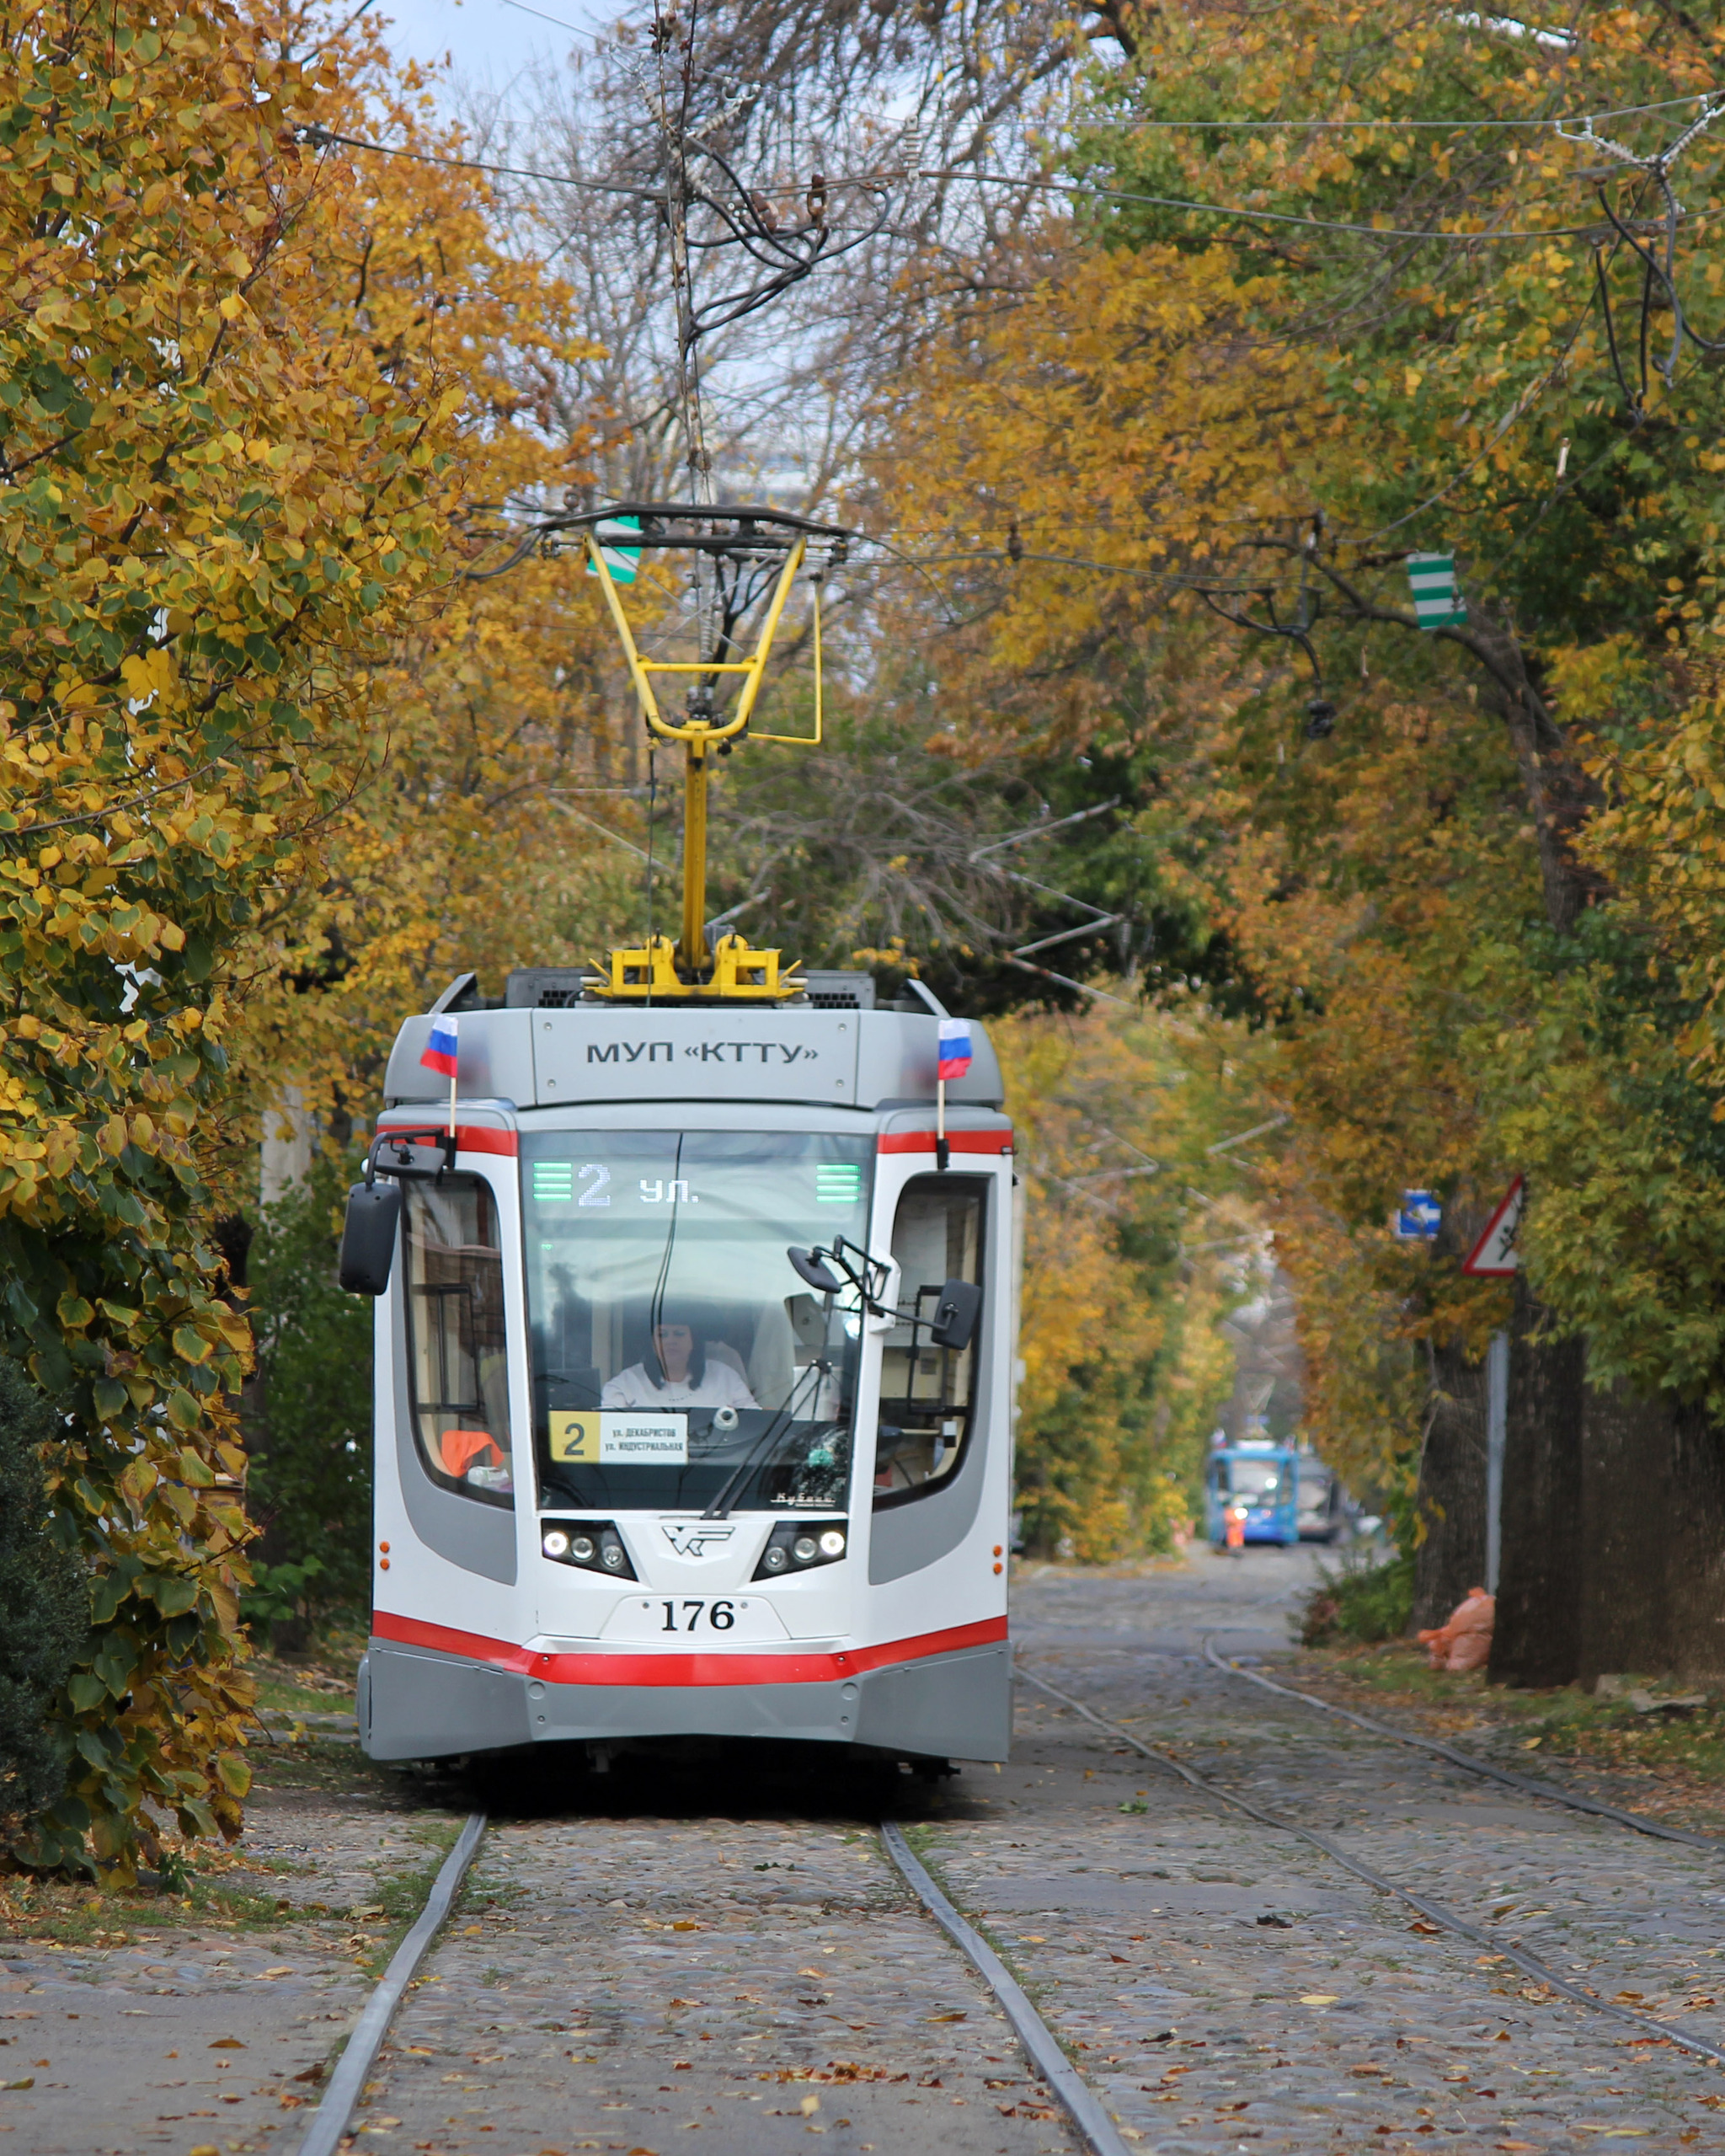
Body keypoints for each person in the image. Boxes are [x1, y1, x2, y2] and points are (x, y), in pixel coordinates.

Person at [601, 1318, 759, 1410]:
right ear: (652, 1343)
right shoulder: (626, 1383)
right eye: (662, 1335)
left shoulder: (725, 1377)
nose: (670, 1341)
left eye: (679, 1334)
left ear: (693, 1341)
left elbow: (754, 1421)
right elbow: (607, 1430)